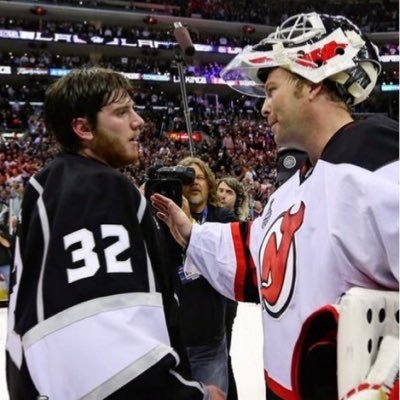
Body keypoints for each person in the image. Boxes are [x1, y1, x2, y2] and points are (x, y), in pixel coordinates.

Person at [151, 12, 399, 400]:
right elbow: (262, 264)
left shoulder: (378, 155)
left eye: (272, 90)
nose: (264, 109)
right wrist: (190, 233)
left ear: (314, 79)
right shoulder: (294, 188)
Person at [5, 67, 225, 400]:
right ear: (82, 127)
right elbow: (105, 343)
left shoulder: (51, 184)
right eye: (122, 112)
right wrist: (191, 396)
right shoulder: (98, 187)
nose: (139, 121)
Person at [176, 157, 236, 395]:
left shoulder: (223, 218)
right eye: (186, 178)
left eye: (199, 177)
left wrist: (188, 222)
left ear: (209, 184)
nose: (193, 183)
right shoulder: (162, 217)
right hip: (174, 342)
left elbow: (227, 257)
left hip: (208, 342)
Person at [216, 177, 249, 400]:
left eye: (229, 192)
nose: (222, 195)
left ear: (237, 199)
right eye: (219, 190)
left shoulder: (233, 222)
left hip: (226, 299)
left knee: (223, 354)